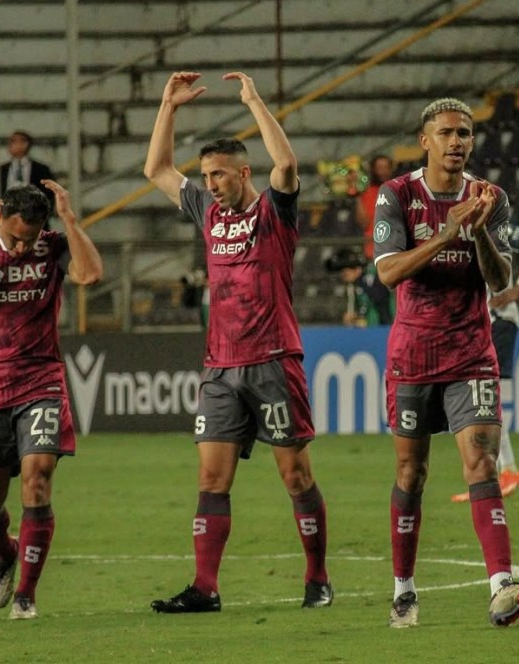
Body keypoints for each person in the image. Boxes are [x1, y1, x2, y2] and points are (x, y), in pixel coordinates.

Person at [143, 71, 332, 613]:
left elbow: (288, 166)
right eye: (207, 175)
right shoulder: (206, 210)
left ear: (244, 173)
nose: (213, 183)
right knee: (211, 476)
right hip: (221, 368)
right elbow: (155, 169)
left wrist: (254, 101)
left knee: (295, 475)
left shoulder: (274, 210)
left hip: (274, 360)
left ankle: (317, 577)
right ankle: (206, 587)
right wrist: (167, 106)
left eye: (221, 175)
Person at [372, 96, 519, 629]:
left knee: (482, 465)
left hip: (472, 352)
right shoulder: (397, 195)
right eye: (446, 133)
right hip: (413, 356)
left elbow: (499, 280)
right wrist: (447, 234)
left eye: (465, 134)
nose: (456, 142)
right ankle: (403, 590)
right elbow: (388, 272)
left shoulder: (489, 198)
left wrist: (475, 237)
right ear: (425, 140)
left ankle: (500, 588)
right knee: (412, 471)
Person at [0, 182, 102, 620]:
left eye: (30, 237)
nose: (23, 246)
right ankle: (7, 553)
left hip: (41, 383)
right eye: (15, 237)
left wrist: (68, 218)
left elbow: (89, 275)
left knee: (38, 479)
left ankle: (26, 595)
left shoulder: (54, 245)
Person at [452, 225, 519, 503]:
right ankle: (493, 473)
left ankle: (506, 471)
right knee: (477, 400)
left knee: (484, 400)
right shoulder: (455, 231)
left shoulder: (495, 227)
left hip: (498, 323)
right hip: (480, 325)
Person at [326, 247, 394, 327]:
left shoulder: (373, 275)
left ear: (356, 269)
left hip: (386, 327)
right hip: (372, 329)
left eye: (344, 272)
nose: (342, 276)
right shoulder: (355, 286)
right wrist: (355, 317)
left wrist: (361, 281)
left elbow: (380, 298)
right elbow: (364, 310)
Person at [0, 131, 56, 211]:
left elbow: (49, 195)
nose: (9, 145)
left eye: (13, 141)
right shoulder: (1, 170)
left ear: (25, 144)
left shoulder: (41, 170)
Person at [356, 154, 395, 262]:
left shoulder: (399, 190)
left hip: (395, 251)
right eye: (379, 168)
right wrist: (358, 197)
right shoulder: (367, 193)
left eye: (385, 168)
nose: (382, 172)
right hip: (372, 252)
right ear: (373, 170)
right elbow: (364, 223)